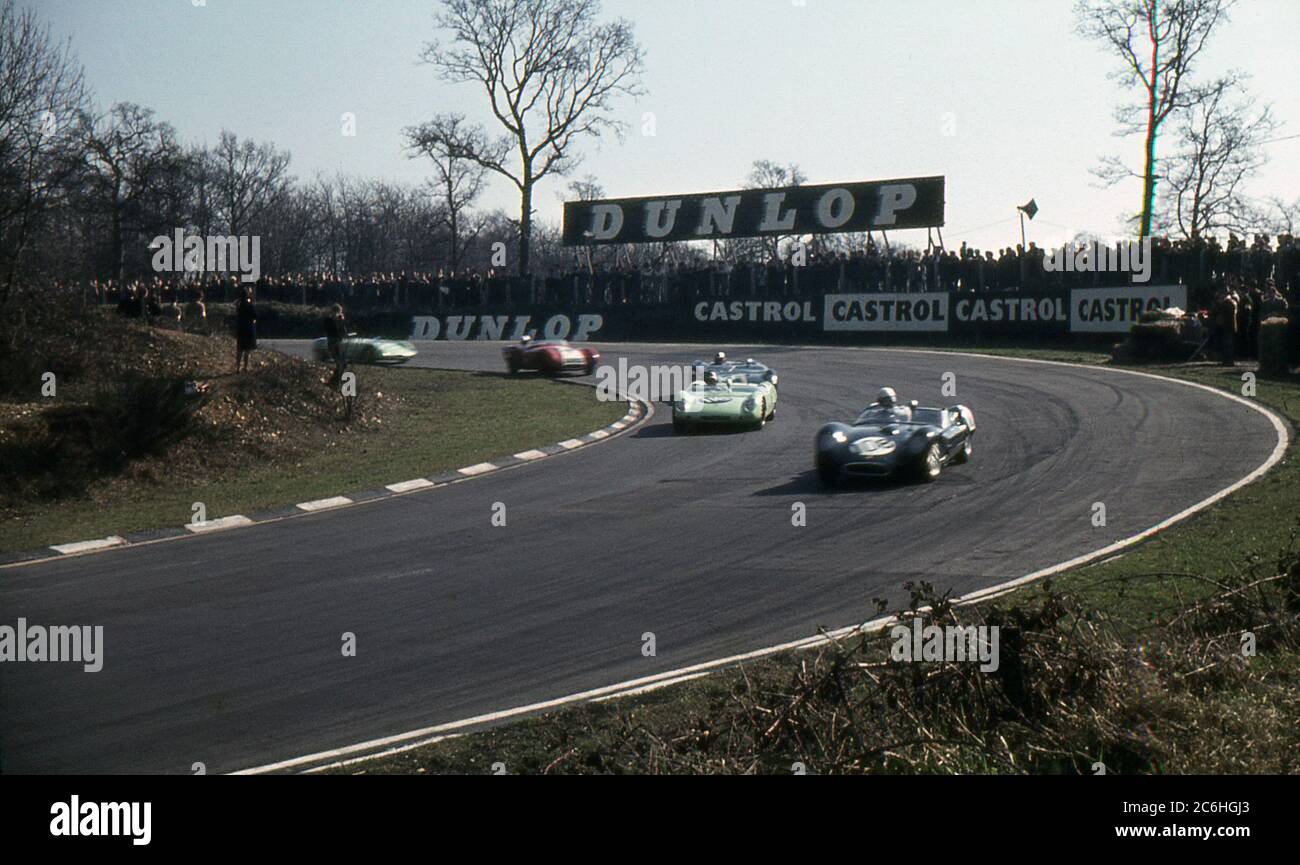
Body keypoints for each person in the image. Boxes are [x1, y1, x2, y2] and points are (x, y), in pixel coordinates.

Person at [235, 285, 257, 372]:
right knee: (247, 350)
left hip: (241, 328)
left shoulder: (239, 305)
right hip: (249, 328)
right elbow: (255, 315)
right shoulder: (250, 304)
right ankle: (245, 367)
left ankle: (237, 367)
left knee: (239, 349)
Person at [323, 303, 347, 386]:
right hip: (334, 343)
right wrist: (337, 321)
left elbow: (343, 332)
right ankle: (334, 382)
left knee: (342, 364)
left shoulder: (338, 320)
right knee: (340, 363)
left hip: (337, 343)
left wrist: (341, 322)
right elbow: (331, 332)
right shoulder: (329, 320)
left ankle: (335, 381)